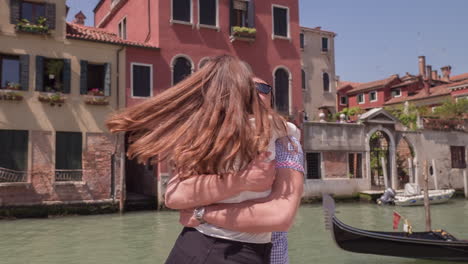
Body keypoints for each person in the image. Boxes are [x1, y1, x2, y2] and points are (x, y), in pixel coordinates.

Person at [106, 55, 303, 263]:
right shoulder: (209, 139)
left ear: (271, 97)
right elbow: (174, 196)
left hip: (251, 251)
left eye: (263, 88)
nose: (256, 92)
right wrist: (240, 181)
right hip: (200, 244)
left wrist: (202, 214)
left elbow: (280, 216)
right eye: (248, 87)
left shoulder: (286, 143)